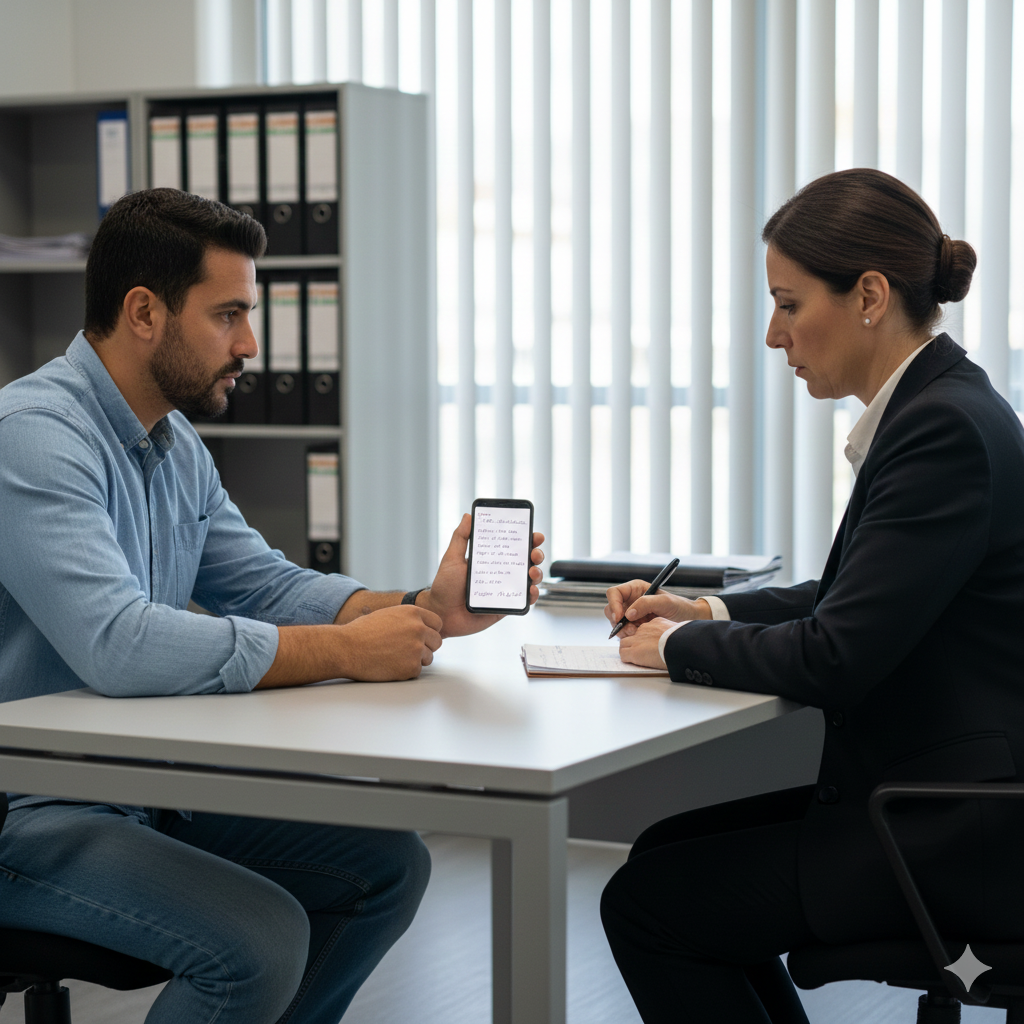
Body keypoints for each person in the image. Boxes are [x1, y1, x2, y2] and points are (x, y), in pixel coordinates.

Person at [0, 188, 545, 1024]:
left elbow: (263, 582)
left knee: (387, 868)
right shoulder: (33, 433)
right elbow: (118, 643)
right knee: (257, 944)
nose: (249, 344)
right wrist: (343, 652)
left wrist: (423, 607)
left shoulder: (172, 442)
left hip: (136, 791)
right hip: (28, 814)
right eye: (227, 316)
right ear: (143, 312)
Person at [599, 168, 1024, 1024]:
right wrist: (705, 613)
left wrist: (672, 649)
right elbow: (848, 598)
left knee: (649, 904)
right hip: (942, 796)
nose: (772, 333)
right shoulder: (944, 407)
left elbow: (838, 654)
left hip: (953, 830)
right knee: (660, 855)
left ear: (869, 295)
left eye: (789, 304)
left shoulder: (940, 430)